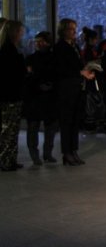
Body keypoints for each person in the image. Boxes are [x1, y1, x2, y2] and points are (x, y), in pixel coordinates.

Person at [53, 18, 95, 166]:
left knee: (75, 121)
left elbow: (77, 64)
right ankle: (67, 152)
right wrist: (80, 72)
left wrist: (86, 70)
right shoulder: (60, 47)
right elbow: (61, 69)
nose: (74, 32)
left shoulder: (74, 46)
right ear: (63, 30)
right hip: (66, 89)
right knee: (67, 122)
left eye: (74, 29)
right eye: (71, 29)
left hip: (77, 87)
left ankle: (73, 150)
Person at [24, 31, 58, 165]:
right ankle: (39, 154)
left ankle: (44, 153)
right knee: (36, 126)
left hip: (44, 96)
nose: (38, 44)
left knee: (47, 126)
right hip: (37, 96)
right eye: (37, 41)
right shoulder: (33, 58)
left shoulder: (49, 58)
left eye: (41, 41)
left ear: (48, 43)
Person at [0, 20, 27, 171]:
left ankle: (8, 159)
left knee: (8, 129)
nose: (22, 34)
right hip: (11, 96)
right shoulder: (10, 51)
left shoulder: (6, 49)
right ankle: (6, 160)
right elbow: (15, 74)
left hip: (8, 94)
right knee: (9, 130)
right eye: (21, 31)